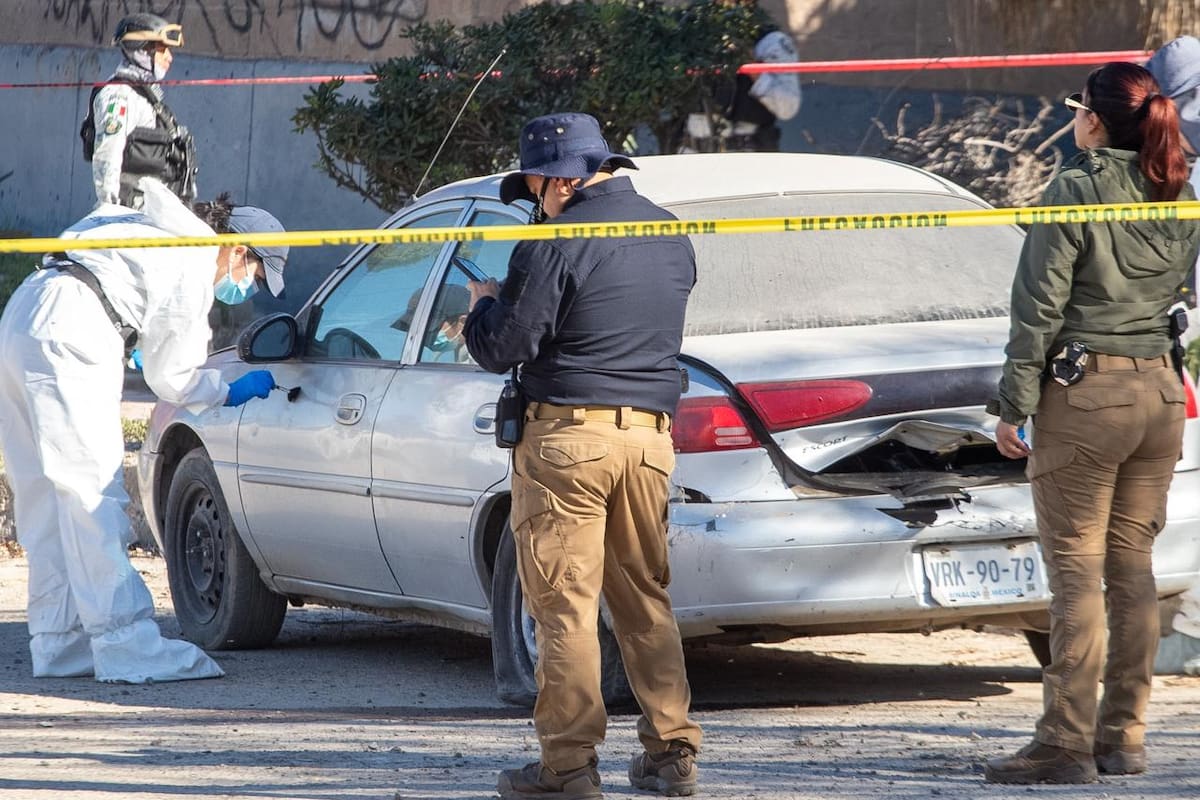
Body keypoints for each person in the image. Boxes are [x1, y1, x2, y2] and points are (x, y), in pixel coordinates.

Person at [464, 112, 703, 799]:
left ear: (559, 181)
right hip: (649, 440)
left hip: (567, 441)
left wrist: (483, 306)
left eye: (534, 187)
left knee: (564, 606)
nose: (534, 201)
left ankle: (567, 767)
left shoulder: (554, 241)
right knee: (645, 599)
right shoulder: (669, 233)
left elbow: (505, 346)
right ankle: (672, 753)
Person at [985, 62, 1200, 784]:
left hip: (1088, 396)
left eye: (1078, 109)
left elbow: (1037, 305)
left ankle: (1065, 743)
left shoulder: (1076, 187)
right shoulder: (1177, 188)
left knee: (1076, 573)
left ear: (1095, 121)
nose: (1074, 119)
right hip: (1160, 392)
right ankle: (1123, 737)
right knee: (1132, 571)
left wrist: (1013, 403)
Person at [0, 177, 288, 684]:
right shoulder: (196, 258)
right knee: (92, 495)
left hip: (24, 316)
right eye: (255, 276)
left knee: (43, 494)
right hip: (73, 332)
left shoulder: (155, 223)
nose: (246, 290)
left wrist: (136, 334)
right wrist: (224, 390)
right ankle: (124, 642)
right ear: (239, 250)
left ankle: (59, 641)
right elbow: (172, 377)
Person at [83, 13, 197, 209]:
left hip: (155, 208)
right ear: (142, 51)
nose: (169, 57)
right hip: (131, 210)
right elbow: (108, 152)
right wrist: (110, 208)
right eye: (162, 49)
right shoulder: (119, 95)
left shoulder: (146, 95)